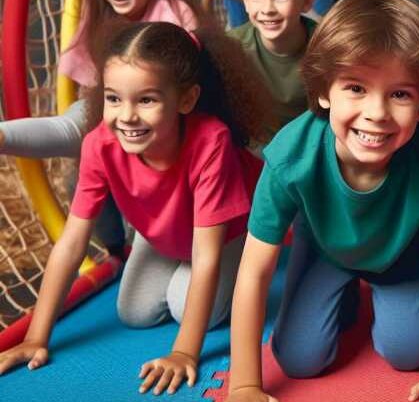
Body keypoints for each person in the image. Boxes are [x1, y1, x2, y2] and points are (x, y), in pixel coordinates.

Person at [226, 0, 419, 402]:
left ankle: (370, 296)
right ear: (325, 91)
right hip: (323, 248)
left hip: (399, 255)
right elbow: (254, 271)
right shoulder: (292, 156)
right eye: (356, 88)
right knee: (299, 361)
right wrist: (244, 385)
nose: (376, 112)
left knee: (412, 351)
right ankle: (339, 296)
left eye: (400, 94)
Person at [0, 22, 273, 397]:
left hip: (222, 236)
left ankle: (235, 266)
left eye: (146, 100)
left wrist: (183, 352)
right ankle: (174, 269)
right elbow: (72, 242)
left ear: (186, 100)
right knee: (134, 312)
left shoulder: (211, 141)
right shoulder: (99, 144)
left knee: (191, 312)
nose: (126, 116)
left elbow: (206, 254)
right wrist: (36, 337)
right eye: (113, 98)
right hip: (161, 234)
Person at [0, 0, 204, 257]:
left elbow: (190, 71)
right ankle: (116, 250)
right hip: (104, 105)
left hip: (156, 119)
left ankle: (156, 243)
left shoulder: (172, 12)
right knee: (78, 168)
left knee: (83, 139)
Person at [227, 0, 317, 131]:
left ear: (307, 1)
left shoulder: (325, 47)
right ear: (245, 0)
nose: (267, 9)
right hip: (256, 146)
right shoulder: (232, 48)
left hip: (309, 143)